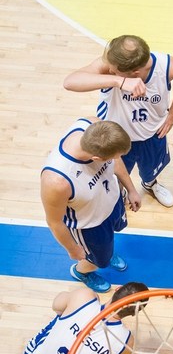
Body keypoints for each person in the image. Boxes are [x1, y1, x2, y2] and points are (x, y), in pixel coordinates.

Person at [63, 34, 173, 207]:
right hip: (117, 137)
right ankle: (121, 193)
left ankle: (150, 184)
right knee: (116, 176)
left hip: (152, 132)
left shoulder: (167, 66)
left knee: (150, 170)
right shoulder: (110, 67)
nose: (110, 70)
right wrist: (118, 80)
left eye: (115, 71)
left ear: (135, 72)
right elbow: (70, 82)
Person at [41, 117, 142, 293]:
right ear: (96, 158)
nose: (118, 160)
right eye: (114, 157)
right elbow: (54, 222)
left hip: (112, 203)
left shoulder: (94, 126)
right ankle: (82, 272)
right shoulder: (57, 181)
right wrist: (72, 249)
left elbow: (115, 159)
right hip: (90, 226)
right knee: (96, 261)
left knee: (108, 246)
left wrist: (131, 189)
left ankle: (106, 253)